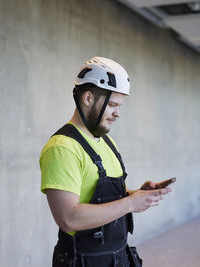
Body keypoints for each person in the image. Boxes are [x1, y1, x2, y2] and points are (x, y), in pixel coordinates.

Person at [39, 56, 172, 267]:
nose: (117, 113)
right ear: (88, 98)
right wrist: (130, 203)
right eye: (112, 104)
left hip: (117, 259)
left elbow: (101, 198)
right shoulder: (62, 148)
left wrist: (136, 194)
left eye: (119, 106)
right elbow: (68, 218)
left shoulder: (108, 143)